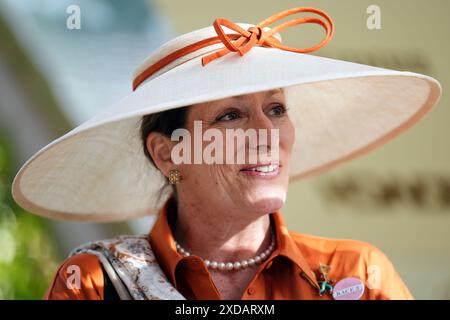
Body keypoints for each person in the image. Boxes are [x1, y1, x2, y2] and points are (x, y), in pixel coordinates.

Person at [12, 6, 441, 300]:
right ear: (168, 154)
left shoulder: (359, 274)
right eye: (231, 116)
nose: (266, 133)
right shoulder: (96, 283)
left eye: (276, 109)